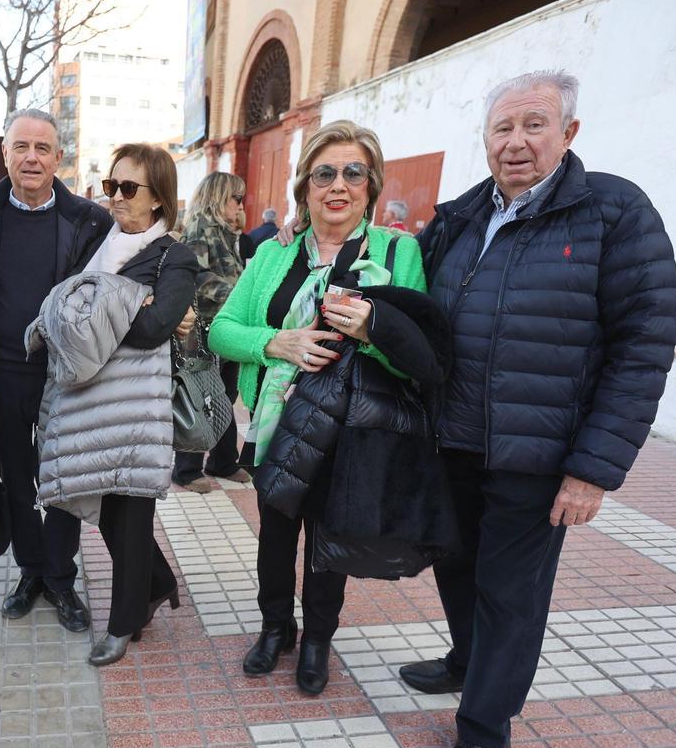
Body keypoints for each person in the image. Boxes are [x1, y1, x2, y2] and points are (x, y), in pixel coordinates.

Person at [396, 70, 676, 748]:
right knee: (454, 563)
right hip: (453, 439)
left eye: (533, 125)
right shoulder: (459, 216)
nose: (516, 142)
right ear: (485, 140)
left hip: (538, 452)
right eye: (502, 128)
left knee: (510, 591)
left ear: (568, 134)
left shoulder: (613, 212)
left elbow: (643, 344)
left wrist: (592, 468)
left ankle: (485, 728)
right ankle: (468, 660)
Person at [209, 120, 429, 695]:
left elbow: (420, 350)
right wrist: (276, 342)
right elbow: (221, 330)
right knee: (275, 536)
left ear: (371, 186)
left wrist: (373, 326)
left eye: (353, 172)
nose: (338, 185)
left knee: (327, 541)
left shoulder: (397, 252)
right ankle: (275, 626)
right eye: (324, 173)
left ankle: (317, 640)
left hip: (350, 430)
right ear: (305, 187)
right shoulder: (272, 253)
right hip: (276, 426)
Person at [31, 143, 198, 666]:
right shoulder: (99, 246)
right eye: (111, 186)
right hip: (87, 406)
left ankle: (123, 623)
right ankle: (158, 583)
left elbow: (153, 329)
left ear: (158, 199)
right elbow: (68, 310)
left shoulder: (175, 256)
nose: (116, 198)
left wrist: (102, 305)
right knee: (105, 510)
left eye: (129, 189)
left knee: (131, 518)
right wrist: (125, 300)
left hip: (137, 411)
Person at [0, 109, 111, 633]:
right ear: (4, 154)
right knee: (15, 476)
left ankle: (60, 576)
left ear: (59, 157)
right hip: (2, 374)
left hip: (66, 376)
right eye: (21, 147)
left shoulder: (89, 220)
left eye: (42, 148)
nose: (31, 157)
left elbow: (143, 239)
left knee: (64, 478)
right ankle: (30, 570)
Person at [174, 171, 251, 493]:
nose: (240, 205)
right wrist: (236, 293)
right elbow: (194, 274)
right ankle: (186, 469)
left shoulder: (226, 231)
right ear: (219, 196)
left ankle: (222, 461)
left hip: (227, 326)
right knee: (200, 397)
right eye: (236, 198)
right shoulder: (199, 229)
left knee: (225, 396)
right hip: (204, 329)